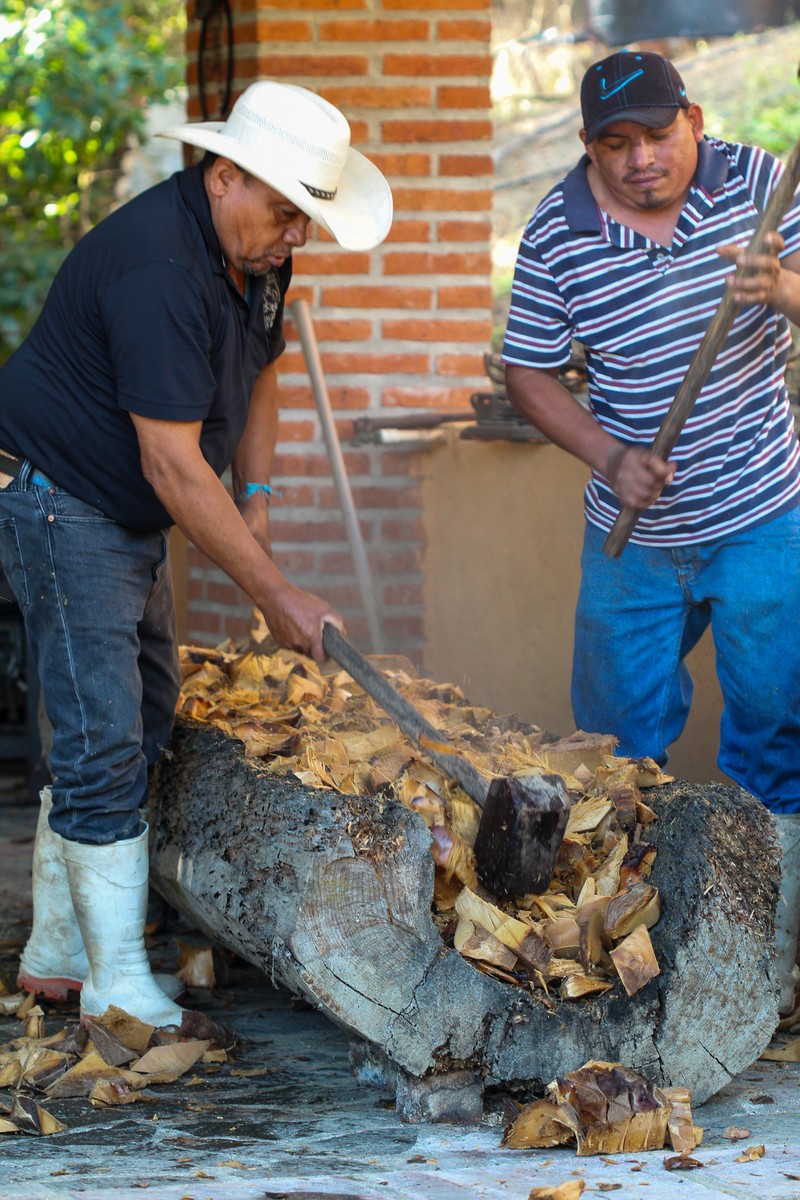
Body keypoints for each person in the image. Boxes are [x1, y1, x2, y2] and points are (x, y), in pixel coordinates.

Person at [0, 81, 392, 1027]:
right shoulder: (159, 269)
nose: (296, 234)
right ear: (224, 178)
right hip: (60, 498)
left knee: (143, 707)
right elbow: (172, 467)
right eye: (287, 211)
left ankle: (59, 949)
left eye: (308, 217)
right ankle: (114, 983)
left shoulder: (254, 255)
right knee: (102, 733)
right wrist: (277, 594)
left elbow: (262, 378)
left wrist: (255, 504)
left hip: (118, 507)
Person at [502, 50, 800, 1009]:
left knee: (775, 722)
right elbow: (531, 375)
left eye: (657, 135)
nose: (639, 160)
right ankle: (625, 951)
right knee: (615, 745)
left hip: (762, 512)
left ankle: (772, 946)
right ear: (589, 147)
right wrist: (608, 455)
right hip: (633, 530)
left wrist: (784, 291)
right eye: (613, 143)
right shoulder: (557, 230)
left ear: (696, 120)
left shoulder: (761, 184)